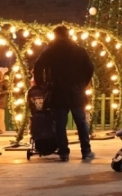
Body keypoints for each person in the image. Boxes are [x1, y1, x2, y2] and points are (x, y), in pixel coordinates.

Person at [33, 25, 95, 161]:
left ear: (56, 35)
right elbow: (90, 68)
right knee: (81, 122)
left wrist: (42, 84)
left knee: (60, 124)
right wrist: (82, 84)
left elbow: (38, 66)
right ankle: (86, 151)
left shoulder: (50, 50)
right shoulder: (79, 50)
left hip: (57, 92)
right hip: (76, 92)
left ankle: (64, 153)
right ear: (68, 35)